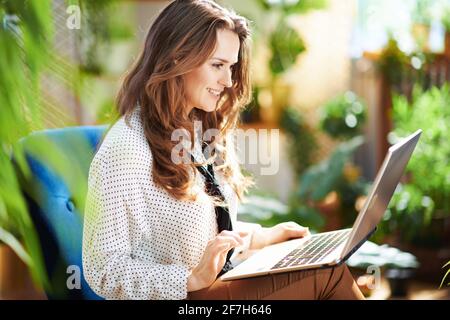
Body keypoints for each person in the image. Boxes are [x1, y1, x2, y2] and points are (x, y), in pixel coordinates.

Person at [82, 0, 364, 300]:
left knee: (324, 264)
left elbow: (203, 234)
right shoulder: (127, 149)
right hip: (185, 299)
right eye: (217, 65)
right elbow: (103, 269)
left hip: (216, 287)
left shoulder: (194, 127)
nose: (228, 81)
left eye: (231, 67)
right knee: (328, 275)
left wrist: (262, 237)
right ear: (177, 58)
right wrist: (188, 279)